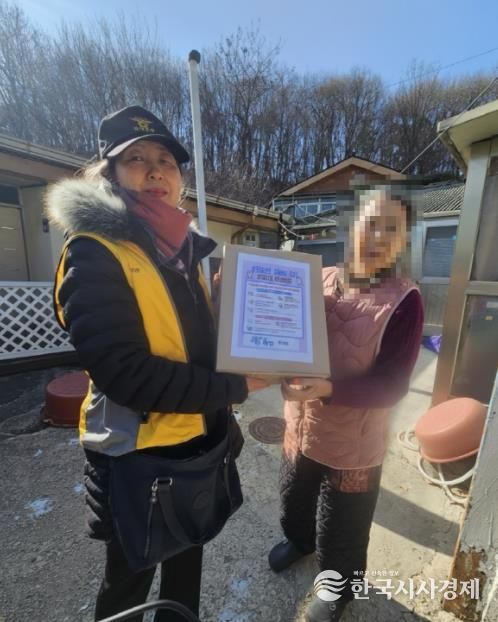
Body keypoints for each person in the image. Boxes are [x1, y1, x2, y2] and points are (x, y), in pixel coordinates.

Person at [47, 105, 265, 622]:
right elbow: (127, 375)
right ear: (110, 175)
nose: (155, 172)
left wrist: (238, 316)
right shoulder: (94, 253)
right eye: (136, 159)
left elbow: (193, 347)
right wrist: (239, 386)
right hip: (138, 459)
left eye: (166, 161)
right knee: (129, 586)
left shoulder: (183, 250)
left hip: (199, 444)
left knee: (187, 566)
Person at [268, 186, 424, 622]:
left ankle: (338, 588)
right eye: (371, 223)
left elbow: (392, 386)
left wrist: (327, 389)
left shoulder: (403, 302)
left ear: (403, 242)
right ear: (351, 225)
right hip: (301, 422)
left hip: (355, 439)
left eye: (392, 229)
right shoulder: (314, 278)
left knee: (344, 522)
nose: (378, 236)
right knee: (293, 497)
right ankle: (299, 542)